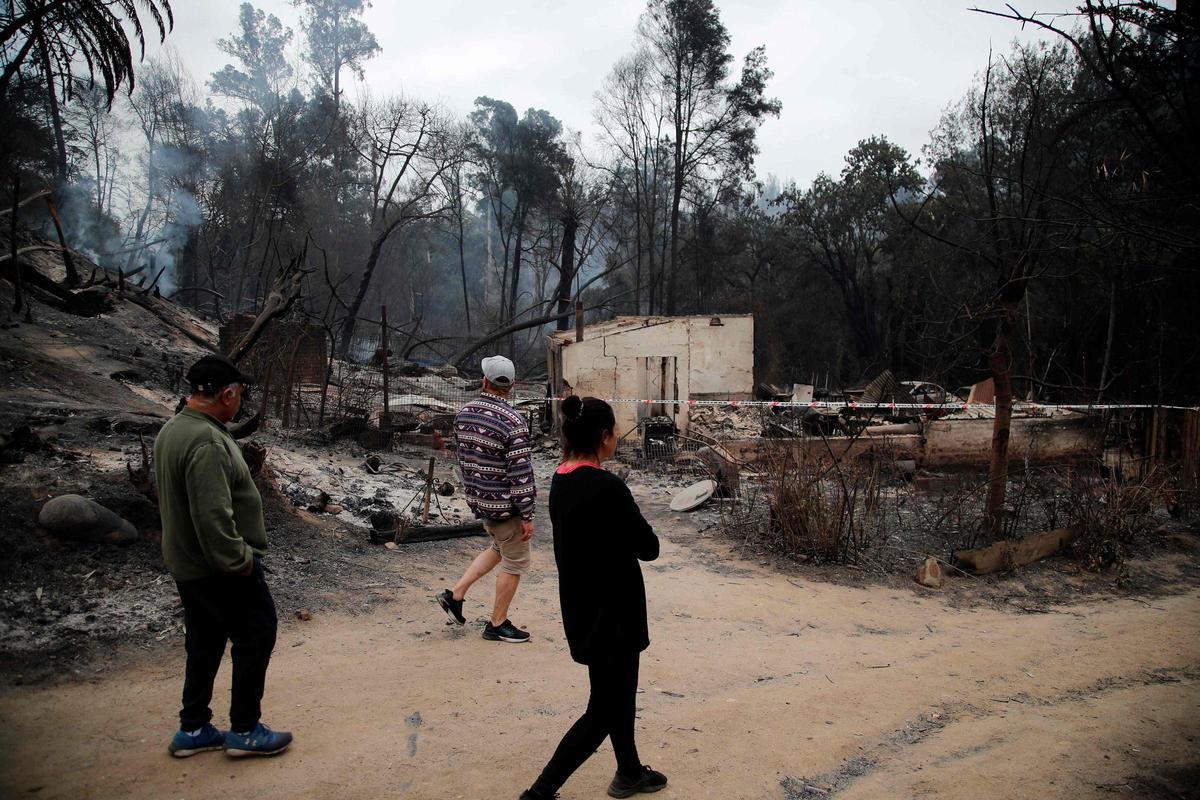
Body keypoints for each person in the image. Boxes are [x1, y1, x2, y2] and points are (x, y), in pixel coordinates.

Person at [520, 395, 668, 799]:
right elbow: (648, 546)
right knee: (604, 708)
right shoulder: (607, 486)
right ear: (604, 436)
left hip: (583, 607)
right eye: (614, 431)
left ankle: (630, 771)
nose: (617, 437)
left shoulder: (561, 479)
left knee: (615, 695)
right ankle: (540, 791)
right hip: (615, 612)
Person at [154, 354, 292, 758]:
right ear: (227, 394)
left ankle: (193, 728)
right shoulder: (207, 441)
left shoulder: (174, 429)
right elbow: (212, 514)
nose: (240, 403)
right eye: (239, 395)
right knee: (256, 634)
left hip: (189, 564)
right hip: (220, 567)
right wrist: (240, 562)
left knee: (205, 640)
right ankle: (246, 729)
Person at [438, 355, 537, 643]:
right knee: (515, 562)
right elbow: (521, 475)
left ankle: (455, 596)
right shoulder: (513, 422)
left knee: (498, 547)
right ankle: (497, 623)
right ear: (512, 385)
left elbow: (464, 459)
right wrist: (527, 514)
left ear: (485, 381)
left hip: (480, 501)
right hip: (506, 508)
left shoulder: (465, 413)